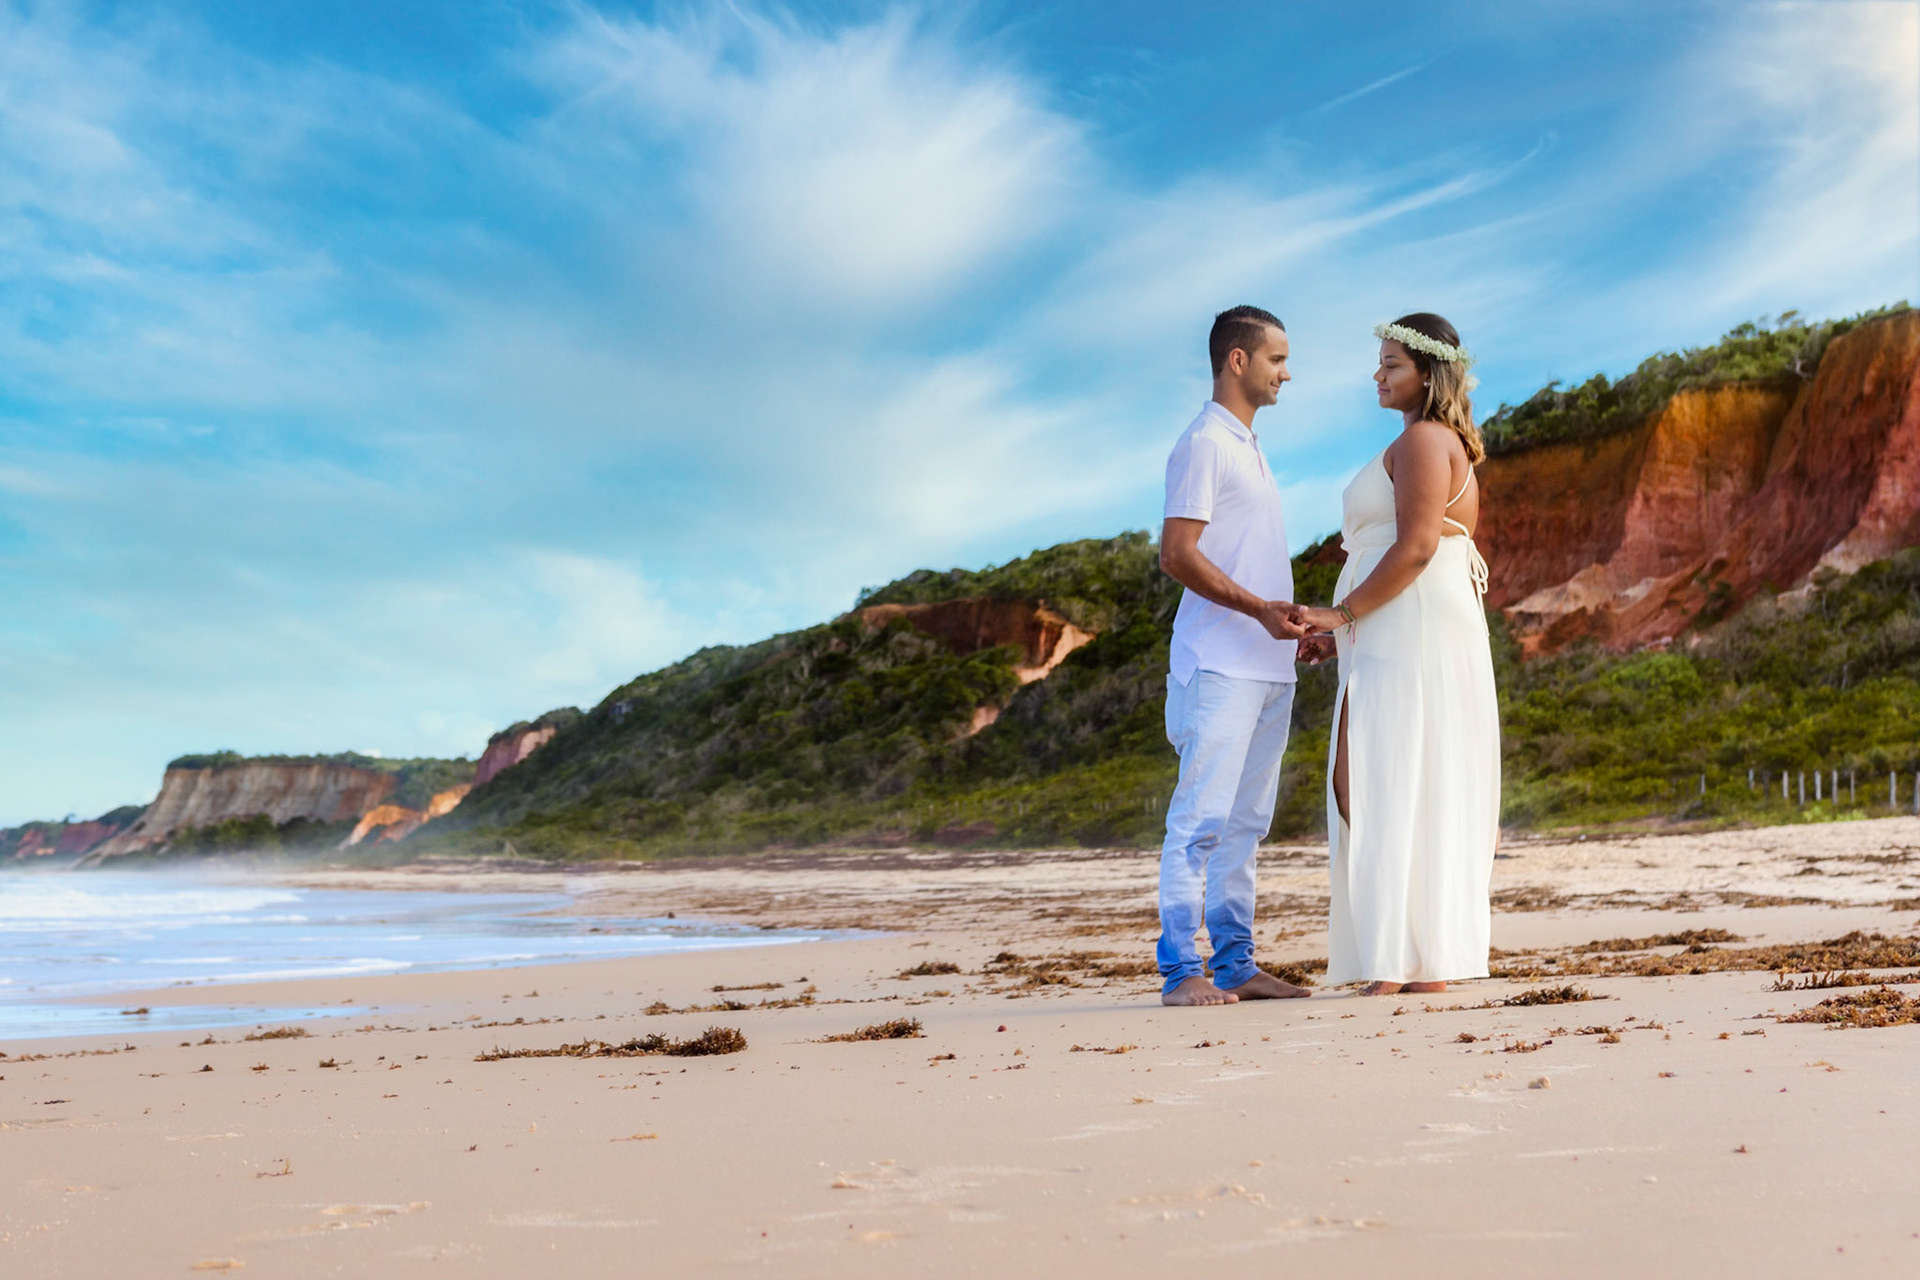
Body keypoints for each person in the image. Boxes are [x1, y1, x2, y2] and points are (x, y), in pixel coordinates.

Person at [1291, 313, 1501, 996]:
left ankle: (1398, 961)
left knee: (1373, 778)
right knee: (1407, 774)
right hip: (1403, 623)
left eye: (1391, 365)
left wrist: (1342, 611)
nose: (1377, 375)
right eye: (1379, 363)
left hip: (1405, 622)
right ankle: (1413, 959)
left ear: (1428, 373)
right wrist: (1346, 628)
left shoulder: (1422, 443)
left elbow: (1415, 547)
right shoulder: (1439, 443)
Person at [1155, 305, 1325, 1008]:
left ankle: (1234, 964)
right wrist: (1258, 609)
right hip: (1218, 667)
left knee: (1247, 825)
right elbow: (1177, 555)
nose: (1287, 371)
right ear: (1238, 360)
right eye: (1277, 358)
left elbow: (1246, 556)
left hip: (1267, 669)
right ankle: (1179, 972)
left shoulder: (1249, 446)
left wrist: (1290, 624)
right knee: (1199, 822)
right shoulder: (1205, 443)